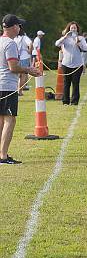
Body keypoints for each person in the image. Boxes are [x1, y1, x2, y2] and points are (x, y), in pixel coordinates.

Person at [1, 14, 41, 164]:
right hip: (7, 86)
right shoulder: (10, 44)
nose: (20, 28)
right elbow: (13, 67)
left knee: (1, 121)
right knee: (9, 121)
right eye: (18, 25)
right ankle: (3, 156)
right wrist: (29, 70)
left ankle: (1, 154)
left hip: (1, 85)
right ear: (13, 27)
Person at [55, 21, 87, 106]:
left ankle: (74, 101)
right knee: (66, 83)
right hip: (66, 64)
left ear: (77, 29)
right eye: (71, 27)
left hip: (77, 65)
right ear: (69, 29)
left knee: (75, 83)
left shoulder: (80, 38)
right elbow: (57, 44)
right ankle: (65, 101)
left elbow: (85, 48)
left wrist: (78, 42)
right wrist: (65, 37)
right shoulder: (65, 38)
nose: (73, 29)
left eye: (75, 27)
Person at [14, 27, 32, 95]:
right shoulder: (24, 37)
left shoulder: (14, 37)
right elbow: (30, 43)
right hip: (25, 57)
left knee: (17, 75)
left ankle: (15, 90)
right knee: (23, 76)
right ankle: (20, 91)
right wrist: (29, 51)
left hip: (16, 57)